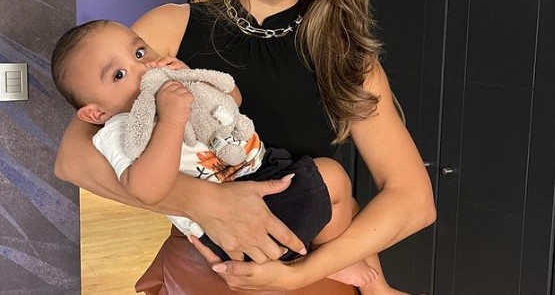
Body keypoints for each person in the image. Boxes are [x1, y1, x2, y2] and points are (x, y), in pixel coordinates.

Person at [54, 0, 436, 294]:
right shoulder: (170, 27)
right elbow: (73, 158)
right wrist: (205, 201)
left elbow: (413, 199)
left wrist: (300, 273)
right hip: (207, 271)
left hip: (314, 272)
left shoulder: (344, 57)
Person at [50, 19, 377, 287]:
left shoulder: (175, 86)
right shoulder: (120, 129)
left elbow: (232, 100)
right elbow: (145, 188)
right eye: (119, 75)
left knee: (334, 185)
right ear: (96, 113)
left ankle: (323, 259)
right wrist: (172, 120)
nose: (144, 68)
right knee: (331, 178)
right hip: (224, 227)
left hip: (259, 170)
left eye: (139, 52)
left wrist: (190, 77)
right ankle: (327, 261)